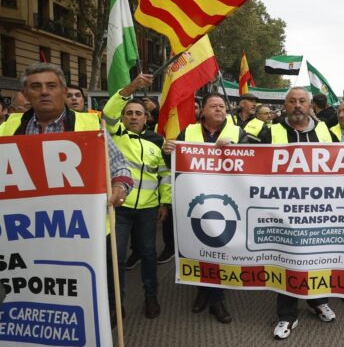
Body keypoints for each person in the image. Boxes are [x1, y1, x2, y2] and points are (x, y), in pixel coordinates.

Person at [0, 63, 133, 327]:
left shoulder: (89, 124)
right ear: (25, 93)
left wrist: (119, 186)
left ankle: (102, 326)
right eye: (35, 87)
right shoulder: (7, 130)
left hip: (87, 231)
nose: (44, 92)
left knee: (96, 288)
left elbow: (119, 167)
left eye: (51, 86)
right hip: (29, 234)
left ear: (63, 91)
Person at [256, 87, 338, 339]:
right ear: (285, 104)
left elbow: (343, 164)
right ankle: (287, 316)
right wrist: (224, 148)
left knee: (317, 257)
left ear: (310, 104)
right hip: (284, 210)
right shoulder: (271, 132)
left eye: (302, 101)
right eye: (292, 101)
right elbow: (248, 161)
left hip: (318, 209)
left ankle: (317, 300)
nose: (297, 105)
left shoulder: (325, 131)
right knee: (288, 260)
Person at [162, 93, 247, 325]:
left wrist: (234, 149)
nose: (220, 109)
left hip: (228, 202)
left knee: (219, 246)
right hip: (195, 200)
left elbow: (254, 161)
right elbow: (174, 162)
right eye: (214, 106)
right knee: (199, 247)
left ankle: (216, 299)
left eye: (222, 106)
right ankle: (203, 289)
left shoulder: (238, 132)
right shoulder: (188, 132)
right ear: (203, 111)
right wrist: (167, 150)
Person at [101, 73, 168, 321]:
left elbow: (164, 174)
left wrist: (165, 203)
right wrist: (131, 87)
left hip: (148, 210)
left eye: (138, 113)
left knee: (149, 254)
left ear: (146, 117)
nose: (133, 117)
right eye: (129, 113)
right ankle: (114, 304)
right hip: (117, 209)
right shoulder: (114, 133)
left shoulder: (156, 142)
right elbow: (108, 112)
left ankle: (151, 297)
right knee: (115, 258)